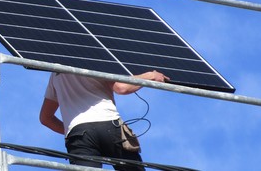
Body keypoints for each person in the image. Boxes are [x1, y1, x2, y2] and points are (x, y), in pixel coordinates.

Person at [39, 71, 169, 170]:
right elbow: (121, 87)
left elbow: (46, 118)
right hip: (108, 125)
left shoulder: (56, 73)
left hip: (78, 135)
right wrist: (150, 75)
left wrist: (72, 129)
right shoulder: (98, 58)